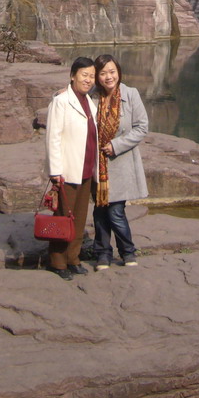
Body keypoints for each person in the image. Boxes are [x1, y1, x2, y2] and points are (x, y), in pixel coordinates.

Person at [44, 56, 99, 280]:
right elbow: (53, 137)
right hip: (67, 170)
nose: (88, 80)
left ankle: (73, 258)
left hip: (85, 168)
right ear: (73, 75)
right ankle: (58, 262)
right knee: (62, 217)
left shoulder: (89, 101)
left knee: (78, 216)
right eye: (84, 75)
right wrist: (55, 171)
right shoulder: (62, 101)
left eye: (92, 76)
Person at [92, 53, 149, 269]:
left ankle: (128, 252)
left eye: (112, 72)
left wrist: (116, 145)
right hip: (99, 165)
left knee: (115, 211)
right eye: (104, 73)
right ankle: (102, 254)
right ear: (97, 76)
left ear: (118, 72)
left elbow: (142, 127)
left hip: (121, 162)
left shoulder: (131, 94)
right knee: (99, 211)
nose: (109, 77)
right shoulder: (93, 97)